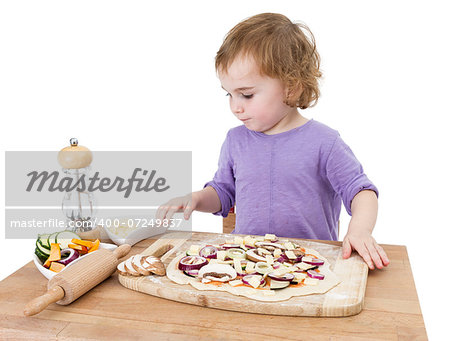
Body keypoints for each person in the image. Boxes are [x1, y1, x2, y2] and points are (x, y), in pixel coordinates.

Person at [156, 13, 389, 270]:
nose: (235, 107)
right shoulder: (235, 140)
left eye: (246, 94)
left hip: (308, 266)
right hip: (243, 264)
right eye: (229, 95)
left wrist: (359, 230)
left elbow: (362, 192)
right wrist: (197, 199)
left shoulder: (325, 142)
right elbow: (223, 193)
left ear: (292, 87)